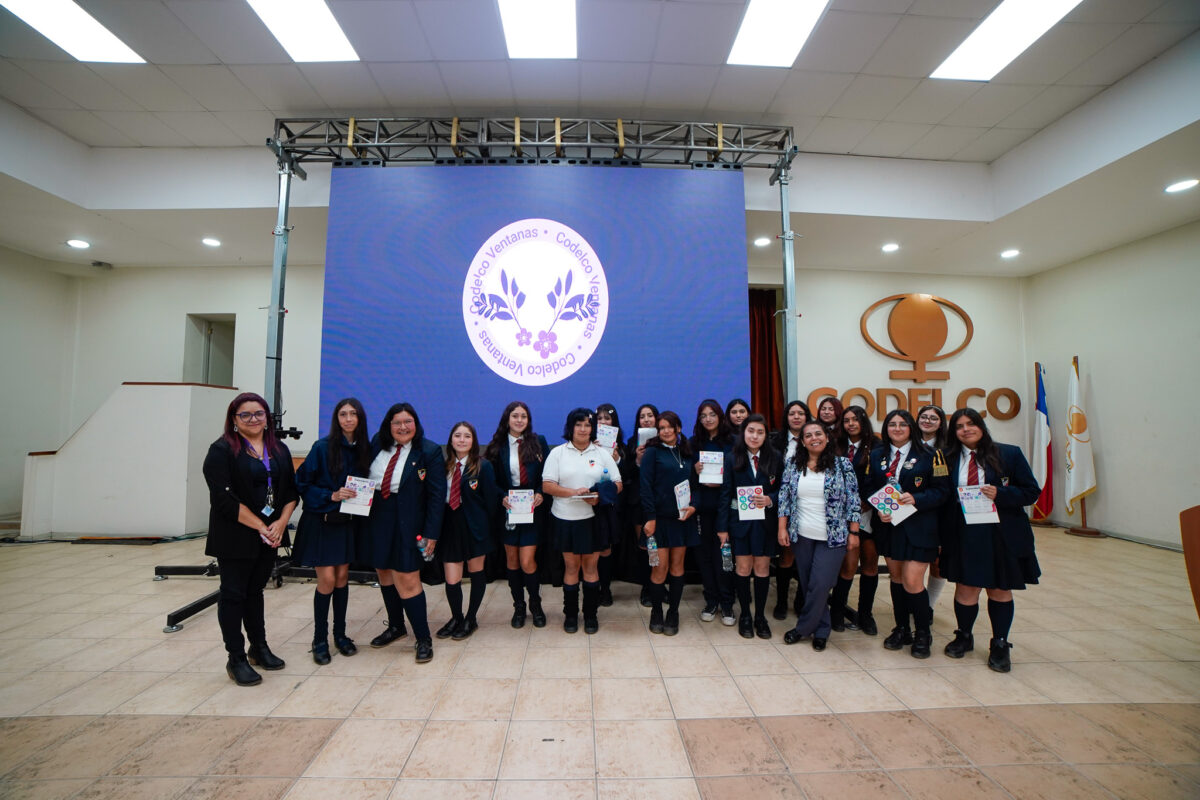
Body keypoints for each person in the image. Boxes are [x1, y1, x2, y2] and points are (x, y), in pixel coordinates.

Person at [203, 392, 298, 686]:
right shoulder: (221, 451)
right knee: (233, 594)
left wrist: (280, 524)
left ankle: (259, 647)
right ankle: (236, 658)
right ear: (234, 420)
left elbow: (291, 493)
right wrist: (261, 525)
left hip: (269, 535)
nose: (253, 419)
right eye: (245, 415)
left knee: (255, 592)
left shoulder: (278, 449)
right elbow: (223, 499)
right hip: (236, 534)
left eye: (259, 414)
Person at [940, 408, 1042, 672]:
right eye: (959, 426)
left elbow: (1031, 491)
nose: (965, 429)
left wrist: (1002, 494)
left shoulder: (1009, 453)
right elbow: (941, 495)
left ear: (981, 426)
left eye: (971, 424)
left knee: (999, 589)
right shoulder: (947, 459)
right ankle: (964, 635)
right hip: (964, 532)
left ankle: (999, 643)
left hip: (1001, 533)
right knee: (966, 588)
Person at [863, 409, 950, 659]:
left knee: (913, 581)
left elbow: (943, 492)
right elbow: (869, 487)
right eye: (892, 424)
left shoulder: (933, 456)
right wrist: (879, 508)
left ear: (911, 427)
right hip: (890, 527)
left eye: (903, 424)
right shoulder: (877, 455)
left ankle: (923, 632)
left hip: (920, 528)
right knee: (897, 579)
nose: (897, 428)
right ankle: (902, 628)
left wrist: (917, 499)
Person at [365, 403, 446, 664]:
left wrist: (432, 533)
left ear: (416, 423)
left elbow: (436, 496)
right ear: (388, 426)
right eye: (397, 422)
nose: (402, 427)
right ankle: (396, 626)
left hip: (410, 522)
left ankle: (423, 638)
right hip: (378, 518)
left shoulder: (430, 451)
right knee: (385, 573)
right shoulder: (378, 442)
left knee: (408, 578)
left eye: (408, 421)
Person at [294, 397, 371, 666]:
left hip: (347, 523)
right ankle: (319, 639)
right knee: (326, 580)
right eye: (343, 414)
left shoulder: (364, 450)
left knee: (341, 579)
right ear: (336, 419)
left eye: (353, 414)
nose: (348, 419)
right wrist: (332, 494)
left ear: (360, 419)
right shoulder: (321, 447)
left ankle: (340, 635)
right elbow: (302, 484)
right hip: (322, 522)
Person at [779, 421, 861, 651]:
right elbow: (784, 499)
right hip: (801, 534)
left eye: (818, 433)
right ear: (802, 441)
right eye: (808, 435)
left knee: (820, 583)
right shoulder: (794, 465)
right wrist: (782, 528)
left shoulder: (843, 465)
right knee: (809, 585)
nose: (813, 438)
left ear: (827, 437)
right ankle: (822, 630)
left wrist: (854, 531)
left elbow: (854, 500)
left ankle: (803, 629)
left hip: (833, 536)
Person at [542, 408, 622, 634]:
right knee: (571, 567)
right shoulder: (558, 453)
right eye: (579, 425)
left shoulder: (601, 453)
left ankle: (590, 616)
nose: (583, 429)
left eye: (588, 425)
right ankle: (570, 615)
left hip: (593, 520)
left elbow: (618, 483)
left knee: (591, 567)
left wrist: (598, 496)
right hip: (565, 518)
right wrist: (573, 493)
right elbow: (547, 486)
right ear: (571, 427)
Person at [483, 401, 550, 629]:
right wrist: (501, 496)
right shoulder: (497, 446)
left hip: (532, 507)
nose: (519, 420)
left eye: (524, 416)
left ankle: (535, 604)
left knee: (527, 560)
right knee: (512, 560)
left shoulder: (538, 442)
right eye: (515, 416)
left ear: (528, 420)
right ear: (507, 419)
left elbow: (548, 474)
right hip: (508, 508)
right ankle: (518, 606)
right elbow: (490, 481)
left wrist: (541, 493)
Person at [716, 414, 779, 639]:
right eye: (751, 431)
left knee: (762, 570)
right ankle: (745, 615)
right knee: (742, 569)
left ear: (766, 435)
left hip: (766, 524)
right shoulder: (732, 458)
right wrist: (722, 527)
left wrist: (771, 499)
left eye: (760, 432)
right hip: (739, 523)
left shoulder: (776, 457)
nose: (755, 436)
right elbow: (725, 494)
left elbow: (785, 489)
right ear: (743, 433)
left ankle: (760, 617)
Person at [436, 421, 499, 641]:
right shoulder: (442, 466)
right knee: (452, 577)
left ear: (473, 441)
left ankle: (471, 618)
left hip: (475, 527)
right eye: (457, 436)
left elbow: (491, 501)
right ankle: (457, 617)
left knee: (475, 572)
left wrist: (484, 526)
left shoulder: (483, 466)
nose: (462, 440)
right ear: (451, 440)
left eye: (467, 436)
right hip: (449, 525)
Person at [640, 410, 698, 636]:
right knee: (659, 568)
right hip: (659, 521)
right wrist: (650, 518)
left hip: (682, 520)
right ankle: (656, 612)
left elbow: (694, 485)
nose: (664, 431)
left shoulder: (687, 453)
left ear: (678, 429)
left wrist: (694, 506)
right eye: (661, 428)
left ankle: (673, 612)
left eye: (668, 427)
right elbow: (645, 487)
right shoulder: (652, 452)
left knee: (677, 567)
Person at [831, 405, 882, 635]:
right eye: (847, 420)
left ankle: (865, 614)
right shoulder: (836, 446)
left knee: (870, 564)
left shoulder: (878, 446)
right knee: (848, 566)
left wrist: (868, 501)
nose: (851, 424)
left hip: (869, 512)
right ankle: (838, 612)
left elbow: (883, 478)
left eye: (855, 419)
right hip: (843, 514)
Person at [690, 399, 736, 626]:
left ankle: (727, 603)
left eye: (712, 414)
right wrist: (694, 469)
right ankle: (711, 600)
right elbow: (685, 479)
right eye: (703, 416)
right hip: (702, 509)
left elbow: (740, 474)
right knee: (704, 558)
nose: (708, 419)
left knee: (724, 558)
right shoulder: (694, 443)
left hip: (725, 509)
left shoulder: (733, 442)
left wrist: (724, 479)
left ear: (720, 416)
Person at [769, 400, 812, 621]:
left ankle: (802, 599)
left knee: (806, 555)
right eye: (792, 413)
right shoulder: (775, 441)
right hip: (781, 502)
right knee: (786, 555)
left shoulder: (815, 438)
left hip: (809, 503)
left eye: (801, 413)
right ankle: (781, 601)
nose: (796, 417)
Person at [915, 404, 950, 615]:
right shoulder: (908, 445)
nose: (927, 421)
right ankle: (914, 600)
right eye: (924, 417)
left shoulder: (948, 449)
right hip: (911, 509)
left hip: (940, 510)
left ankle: (928, 605)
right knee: (913, 563)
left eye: (933, 418)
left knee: (937, 561)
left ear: (940, 423)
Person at [595, 403, 630, 607]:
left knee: (606, 548)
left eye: (607, 419)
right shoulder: (587, 443)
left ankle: (605, 589)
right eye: (599, 419)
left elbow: (628, 479)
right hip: (589, 502)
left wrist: (617, 461)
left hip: (611, 506)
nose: (603, 422)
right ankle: (592, 586)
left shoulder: (622, 448)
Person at [627, 403, 659, 607]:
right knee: (644, 547)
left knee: (661, 546)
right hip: (639, 503)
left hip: (662, 503)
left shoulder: (667, 440)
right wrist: (638, 460)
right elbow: (627, 474)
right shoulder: (632, 442)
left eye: (650, 415)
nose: (646, 419)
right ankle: (646, 587)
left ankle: (658, 585)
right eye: (642, 416)